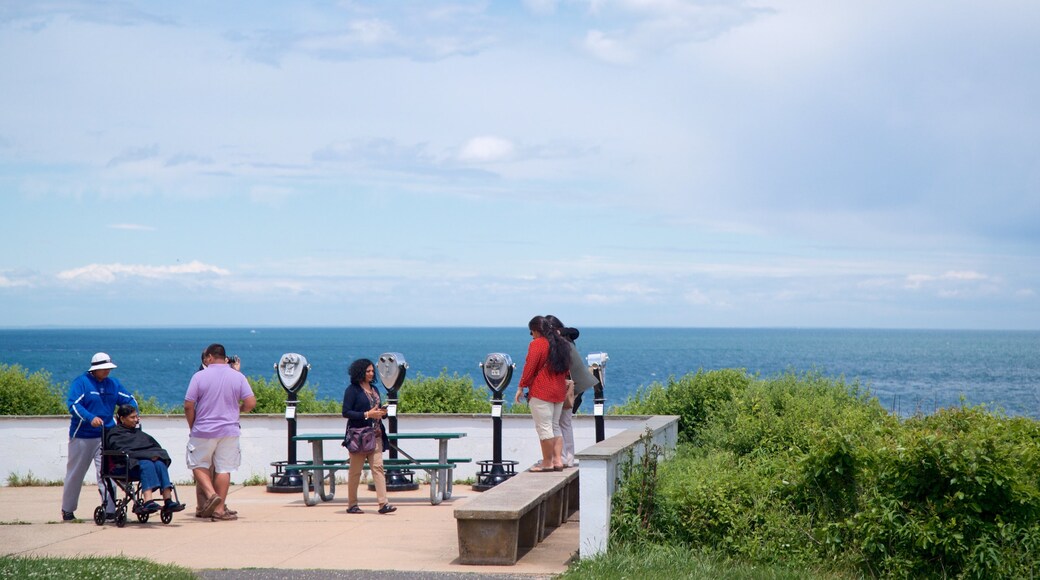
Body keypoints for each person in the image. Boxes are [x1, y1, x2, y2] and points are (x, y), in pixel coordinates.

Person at [61, 352, 138, 521]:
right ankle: (67, 510)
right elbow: (73, 405)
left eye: (109, 368)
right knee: (76, 473)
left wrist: (130, 415)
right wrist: (90, 418)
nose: (107, 372)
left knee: (106, 473)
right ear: (94, 369)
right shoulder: (81, 383)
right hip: (82, 436)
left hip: (106, 436)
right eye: (104, 369)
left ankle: (110, 510)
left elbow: (130, 400)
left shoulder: (113, 384)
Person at [184, 343, 256, 521]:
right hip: (229, 430)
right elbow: (250, 403)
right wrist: (237, 409)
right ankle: (219, 509)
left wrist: (192, 425)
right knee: (224, 468)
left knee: (198, 464)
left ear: (208, 357)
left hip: (204, 429)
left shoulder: (199, 376)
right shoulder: (237, 376)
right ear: (224, 357)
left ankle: (210, 495)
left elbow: (188, 405)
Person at [105, 404, 185, 513]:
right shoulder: (114, 434)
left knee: (160, 463)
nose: (136, 420)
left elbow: (153, 447)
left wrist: (155, 456)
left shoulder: (138, 433)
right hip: (125, 466)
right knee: (146, 463)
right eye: (132, 417)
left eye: (136, 417)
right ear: (122, 419)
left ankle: (168, 500)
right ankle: (148, 501)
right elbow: (123, 452)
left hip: (139, 464)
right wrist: (148, 456)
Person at [515, 316, 571, 472]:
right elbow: (566, 370)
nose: (531, 336)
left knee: (544, 427)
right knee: (555, 426)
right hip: (559, 391)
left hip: (542, 391)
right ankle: (558, 460)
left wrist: (521, 386)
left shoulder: (537, 344)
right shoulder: (562, 343)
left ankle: (547, 462)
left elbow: (530, 366)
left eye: (531, 332)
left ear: (536, 331)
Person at [341, 358, 396, 514]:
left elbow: (375, 410)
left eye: (372, 371)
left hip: (376, 435)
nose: (372, 374)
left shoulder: (375, 389)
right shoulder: (352, 390)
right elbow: (346, 412)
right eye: (368, 371)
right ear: (361, 372)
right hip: (359, 436)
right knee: (355, 471)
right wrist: (367, 414)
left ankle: (383, 503)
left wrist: (381, 413)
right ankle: (352, 504)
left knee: (378, 468)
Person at [545, 315, 599, 468]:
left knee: (558, 422)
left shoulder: (559, 343)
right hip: (576, 384)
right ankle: (567, 458)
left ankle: (561, 458)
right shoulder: (567, 339)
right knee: (565, 422)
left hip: (568, 385)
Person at [193, 349, 241, 519]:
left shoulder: (210, 375)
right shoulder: (202, 374)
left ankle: (218, 505)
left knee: (211, 467)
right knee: (208, 468)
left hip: (206, 429)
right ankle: (204, 506)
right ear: (207, 358)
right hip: (215, 429)